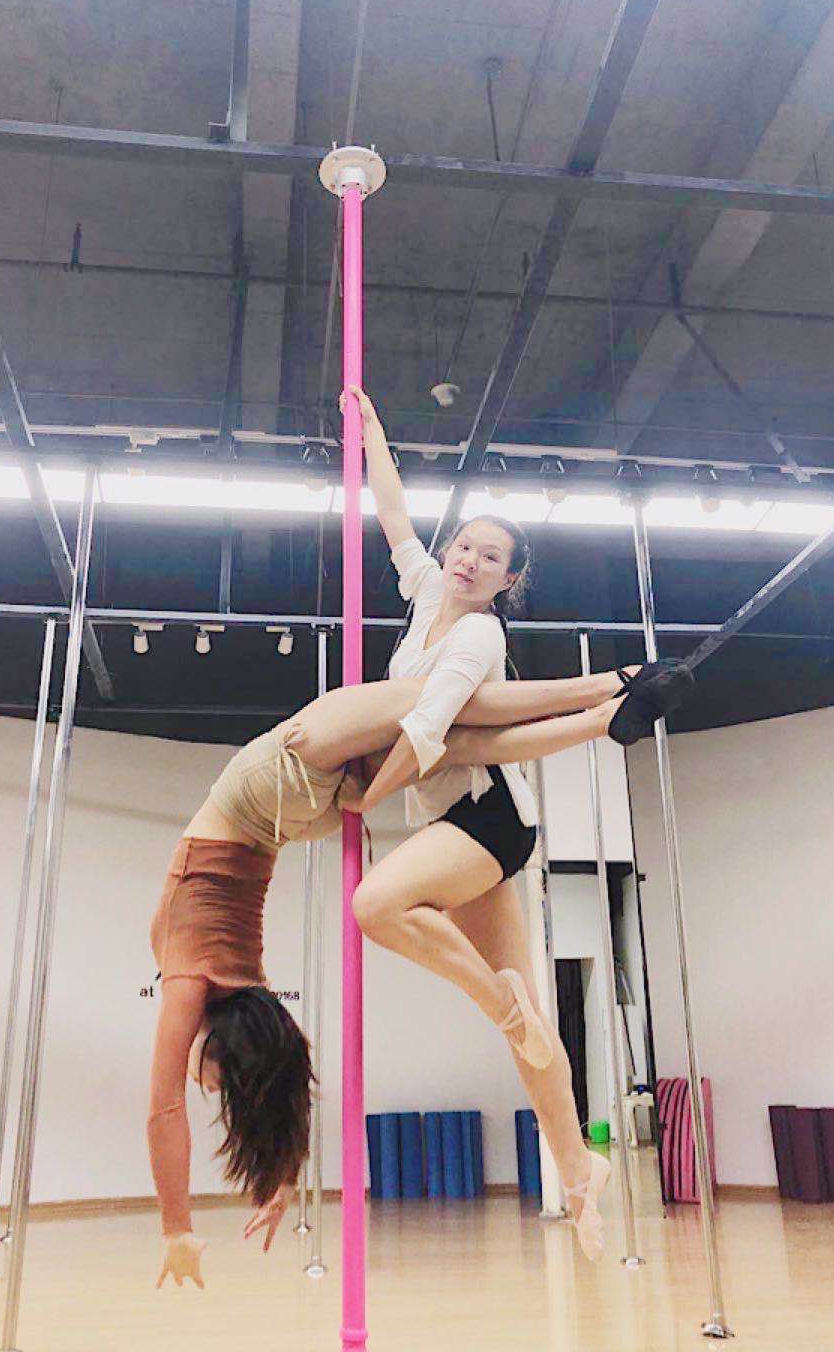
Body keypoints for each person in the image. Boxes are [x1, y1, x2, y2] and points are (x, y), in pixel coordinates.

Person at [149, 654, 692, 1288]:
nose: (200, 1082)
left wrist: (178, 1227)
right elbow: (250, 1086)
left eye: (207, 1079)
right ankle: (607, 704)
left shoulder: (210, 986)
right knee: (452, 723)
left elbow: (174, 1108)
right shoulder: (223, 988)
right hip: (283, 785)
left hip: (289, 786)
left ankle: (610, 696)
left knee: (450, 711)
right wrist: (276, 1181)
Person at [342, 385, 693, 1261]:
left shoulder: (478, 638)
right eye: (464, 545)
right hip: (462, 807)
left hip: (486, 818)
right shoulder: (427, 592)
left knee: (377, 906)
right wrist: (372, 434)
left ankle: (604, 707)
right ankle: (580, 1170)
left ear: (509, 580)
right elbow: (392, 517)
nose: (467, 560)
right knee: (533, 1023)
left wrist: (362, 799)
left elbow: (431, 737)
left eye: (488, 557)